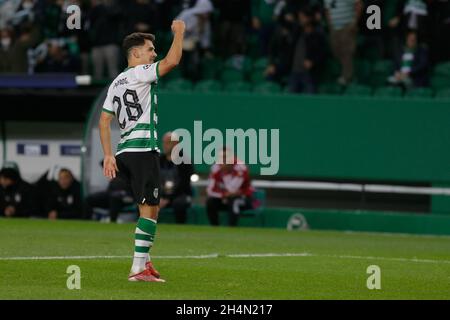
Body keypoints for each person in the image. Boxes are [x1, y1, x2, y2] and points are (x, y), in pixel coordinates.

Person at [99, 20, 185, 282]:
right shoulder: (140, 73)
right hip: (142, 149)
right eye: (149, 49)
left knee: (150, 208)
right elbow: (172, 61)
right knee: (149, 209)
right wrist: (179, 33)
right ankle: (137, 269)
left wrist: (108, 154)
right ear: (135, 54)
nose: (154, 53)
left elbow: (104, 120)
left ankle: (145, 263)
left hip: (125, 150)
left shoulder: (116, 83)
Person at [206, 148, 254, 227]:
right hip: (224, 198)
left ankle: (232, 228)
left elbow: (232, 189)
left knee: (234, 201)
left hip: (244, 199)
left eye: (226, 157)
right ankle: (214, 228)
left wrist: (228, 193)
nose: (223, 160)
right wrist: (223, 195)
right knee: (210, 202)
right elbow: (210, 191)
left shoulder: (241, 168)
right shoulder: (215, 168)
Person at [159, 132, 194, 224]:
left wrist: (168, 199)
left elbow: (184, 184)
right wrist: (161, 197)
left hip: (180, 195)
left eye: (168, 143)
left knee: (179, 204)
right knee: (148, 202)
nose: (164, 145)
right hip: (161, 195)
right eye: (164, 142)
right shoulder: (159, 160)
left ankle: (180, 227)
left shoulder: (185, 161)